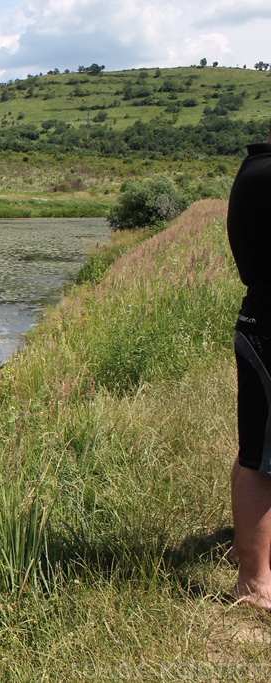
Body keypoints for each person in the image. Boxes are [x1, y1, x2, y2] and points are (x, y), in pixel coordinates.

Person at [227, 123, 271, 608]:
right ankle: (255, 583)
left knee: (256, 448)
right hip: (268, 329)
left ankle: (255, 557)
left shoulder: (255, 169)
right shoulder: (265, 174)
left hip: (262, 323)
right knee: (263, 460)